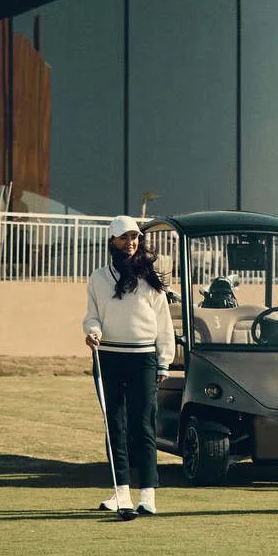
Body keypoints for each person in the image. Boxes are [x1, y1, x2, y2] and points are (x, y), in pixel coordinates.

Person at [86, 215, 175, 521]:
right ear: (112, 241)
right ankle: (121, 492)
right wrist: (93, 330)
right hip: (108, 356)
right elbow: (92, 315)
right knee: (115, 425)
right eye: (124, 238)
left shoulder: (151, 280)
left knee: (143, 425)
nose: (131, 243)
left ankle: (147, 494)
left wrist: (164, 360)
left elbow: (164, 324)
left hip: (144, 358)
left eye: (135, 238)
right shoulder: (98, 277)